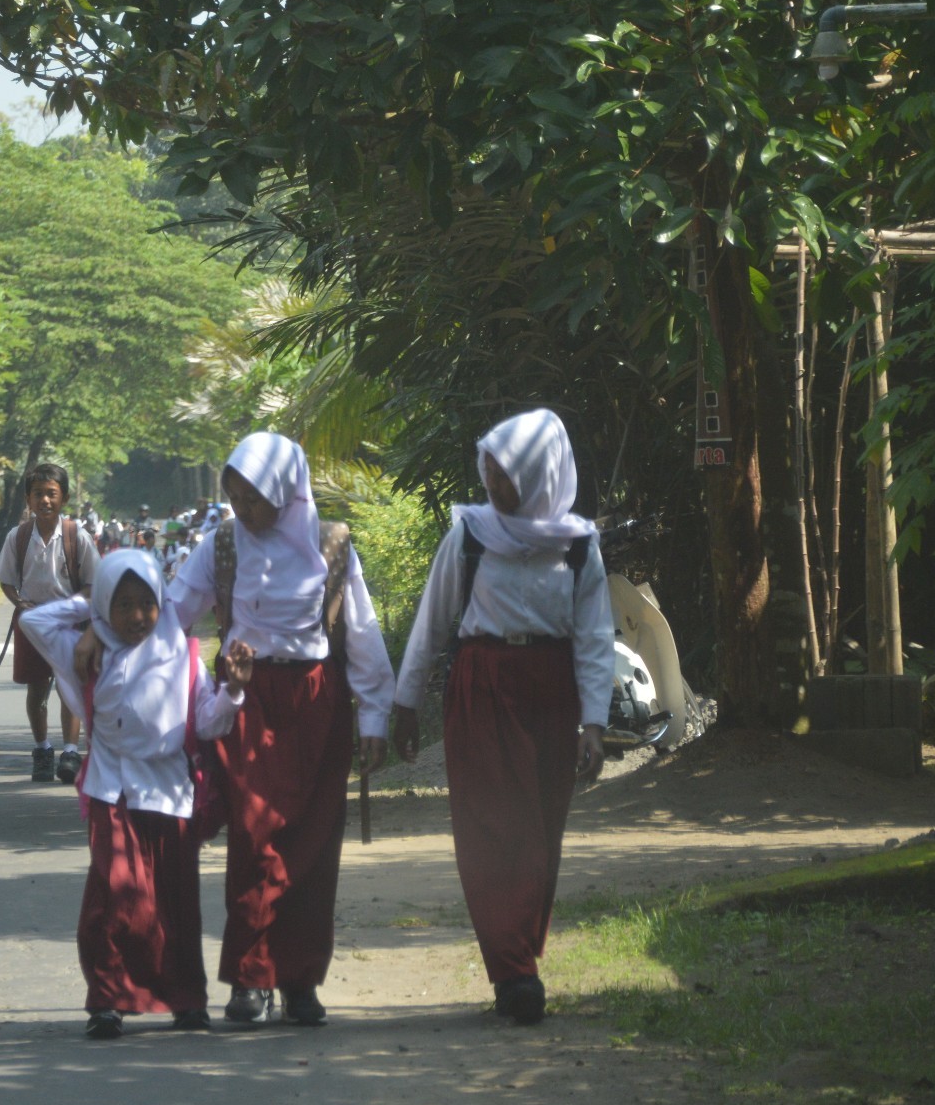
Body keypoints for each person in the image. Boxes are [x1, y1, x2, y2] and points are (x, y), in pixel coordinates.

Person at [85, 432, 395, 1027]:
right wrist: (100, 630)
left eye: (254, 498)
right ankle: (250, 977)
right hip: (246, 700)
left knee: (313, 842)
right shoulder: (222, 544)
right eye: (237, 498)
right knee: (255, 838)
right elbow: (170, 609)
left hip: (317, 703)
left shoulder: (332, 545)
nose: (245, 510)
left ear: (285, 489)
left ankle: (301, 979)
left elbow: (361, 631)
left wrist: (375, 713)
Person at [388, 409, 612, 1027]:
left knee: (540, 830)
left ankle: (522, 953)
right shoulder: (470, 534)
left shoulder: (578, 545)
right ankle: (513, 969)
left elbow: (594, 638)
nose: (490, 478)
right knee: (492, 827)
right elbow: (433, 622)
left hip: (551, 691)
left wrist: (593, 722)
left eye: (504, 469)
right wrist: (404, 704)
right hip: (482, 687)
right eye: (486, 465)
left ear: (540, 473)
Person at [23, 549, 252, 1038]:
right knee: (114, 895)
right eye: (121, 604)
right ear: (106, 604)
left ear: (162, 605)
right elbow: (35, 621)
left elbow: (209, 722)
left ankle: (186, 999)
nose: (135, 616)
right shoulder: (87, 652)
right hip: (113, 791)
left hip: (171, 795)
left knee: (176, 903)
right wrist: (89, 616)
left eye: (147, 604)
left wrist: (233, 691)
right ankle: (107, 998)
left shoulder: (184, 655)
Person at [0, 461, 99, 783]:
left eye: (52, 494)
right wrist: (21, 604)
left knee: (71, 687)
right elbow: (6, 580)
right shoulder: (18, 536)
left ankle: (70, 752)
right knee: (37, 689)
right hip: (32, 622)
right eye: (38, 494)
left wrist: (71, 609)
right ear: (28, 499)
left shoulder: (76, 536)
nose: (45, 501)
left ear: (64, 498)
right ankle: (41, 749)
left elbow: (92, 584)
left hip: (69, 623)